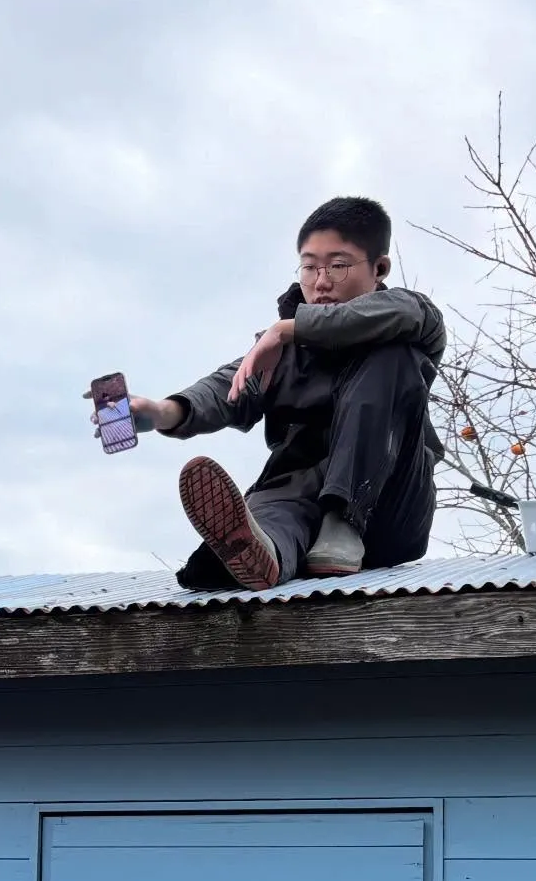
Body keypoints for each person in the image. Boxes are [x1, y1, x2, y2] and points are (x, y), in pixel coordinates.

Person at [100, 196, 446, 591]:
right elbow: (228, 385)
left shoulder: (413, 315)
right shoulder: (279, 354)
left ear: (379, 267)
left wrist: (284, 328)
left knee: (393, 355)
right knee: (269, 517)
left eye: (337, 265)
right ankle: (261, 554)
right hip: (299, 494)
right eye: (309, 266)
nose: (320, 281)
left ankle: (345, 519)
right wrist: (162, 411)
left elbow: (401, 316)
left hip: (389, 503)